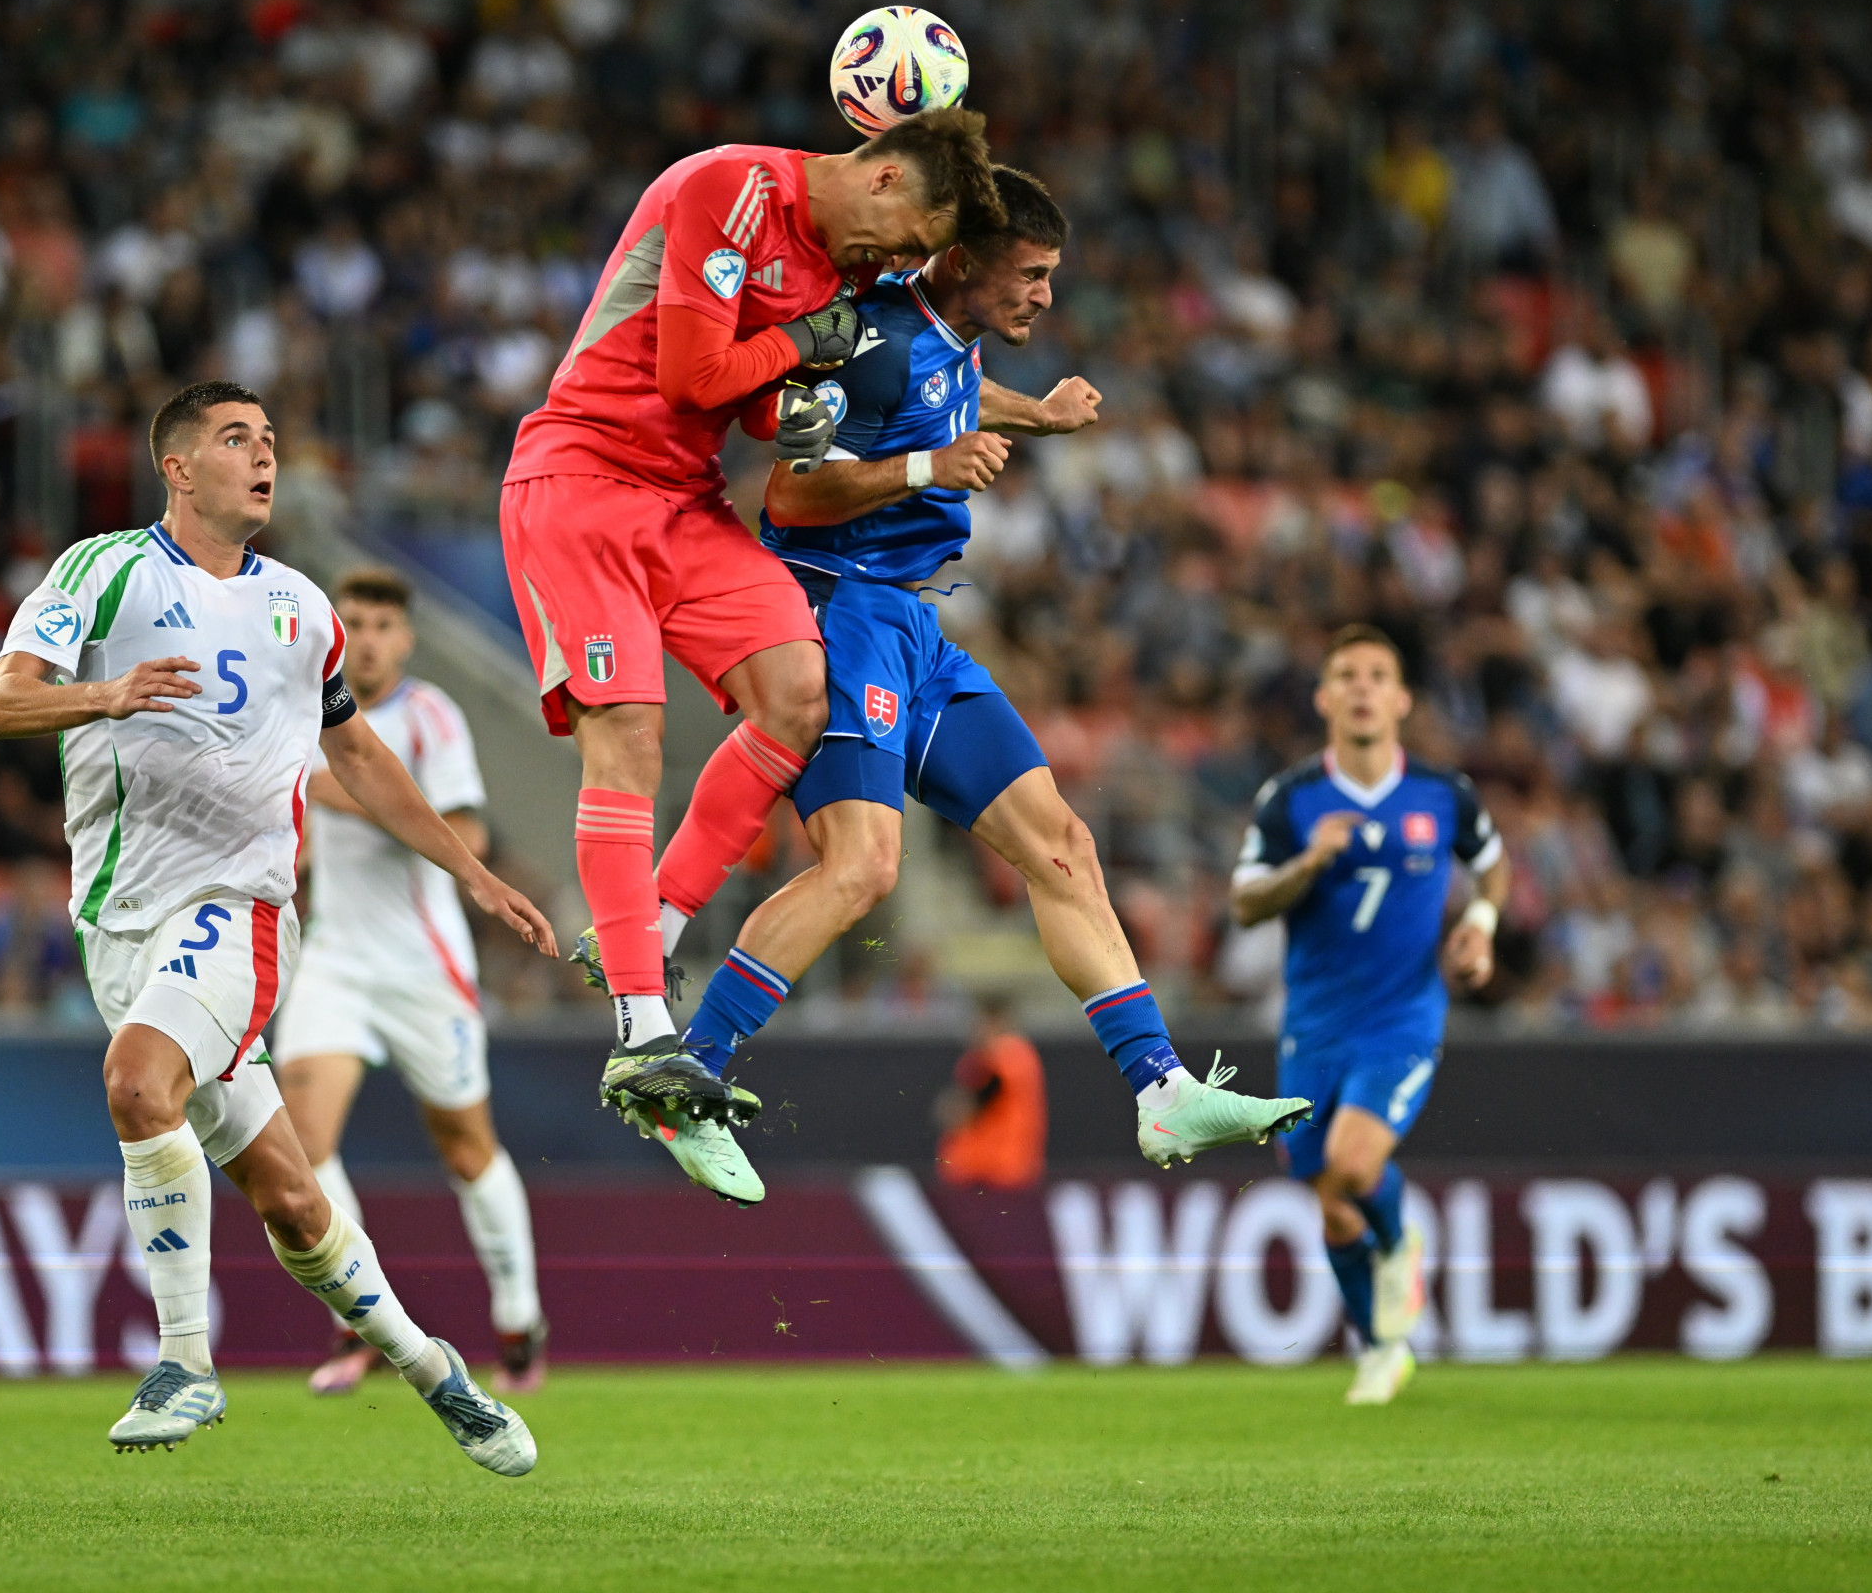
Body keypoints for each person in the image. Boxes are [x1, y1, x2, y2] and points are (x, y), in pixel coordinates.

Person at [642, 167, 1312, 1203]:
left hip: (912, 623)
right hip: (834, 612)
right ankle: (692, 1080)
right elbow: (791, 487)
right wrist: (928, 470)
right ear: (962, 261)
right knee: (863, 870)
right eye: (1032, 275)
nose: (1046, 295)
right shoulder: (868, 339)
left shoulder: (947, 338)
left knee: (1062, 842)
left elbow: (950, 388)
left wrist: (1037, 416)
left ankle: (1162, 1088)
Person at [0, 380, 558, 1468]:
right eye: (237, 438)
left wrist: (470, 870)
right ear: (180, 468)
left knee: (137, 1084)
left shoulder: (302, 607)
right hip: (118, 925)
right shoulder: (102, 573)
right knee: (293, 1199)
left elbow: (358, 755)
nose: (265, 454)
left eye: (272, 439)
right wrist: (103, 696)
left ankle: (185, 1361)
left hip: (238, 910)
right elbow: (0, 702)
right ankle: (437, 1371)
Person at [499, 107, 1004, 1153]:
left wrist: (801, 413)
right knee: (629, 735)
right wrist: (800, 348)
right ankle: (643, 1027)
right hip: (582, 481)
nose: (899, 263)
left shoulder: (839, 271)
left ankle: (655, 927)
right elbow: (691, 377)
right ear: (882, 179)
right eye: (908, 241)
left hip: (683, 500)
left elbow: (756, 405)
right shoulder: (726, 190)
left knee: (799, 695)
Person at [267, 567, 547, 1397]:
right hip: (335, 959)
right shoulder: (299, 714)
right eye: (353, 621)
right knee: (304, 1145)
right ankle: (363, 1318)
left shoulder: (428, 718)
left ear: (407, 638)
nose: (369, 637)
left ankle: (520, 1317)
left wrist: (340, 788)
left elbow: (466, 833)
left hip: (425, 965)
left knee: (466, 1148)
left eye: (383, 623)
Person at [1230, 624, 1510, 1406]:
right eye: (1345, 674)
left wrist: (1480, 930)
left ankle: (1400, 1245)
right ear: (1323, 697)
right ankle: (1383, 1346)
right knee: (1328, 1199)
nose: (1361, 687)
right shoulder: (1290, 800)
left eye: (1376, 675)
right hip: (1313, 1027)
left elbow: (1493, 869)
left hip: (1402, 1016)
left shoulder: (1443, 795)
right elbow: (1245, 901)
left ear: (1401, 699)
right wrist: (1309, 861)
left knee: (1355, 1166)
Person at [934, 997, 1046, 1190]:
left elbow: (968, 1103)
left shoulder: (1008, 1054)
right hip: (976, 1169)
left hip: (999, 1170)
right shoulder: (980, 1057)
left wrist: (952, 1107)